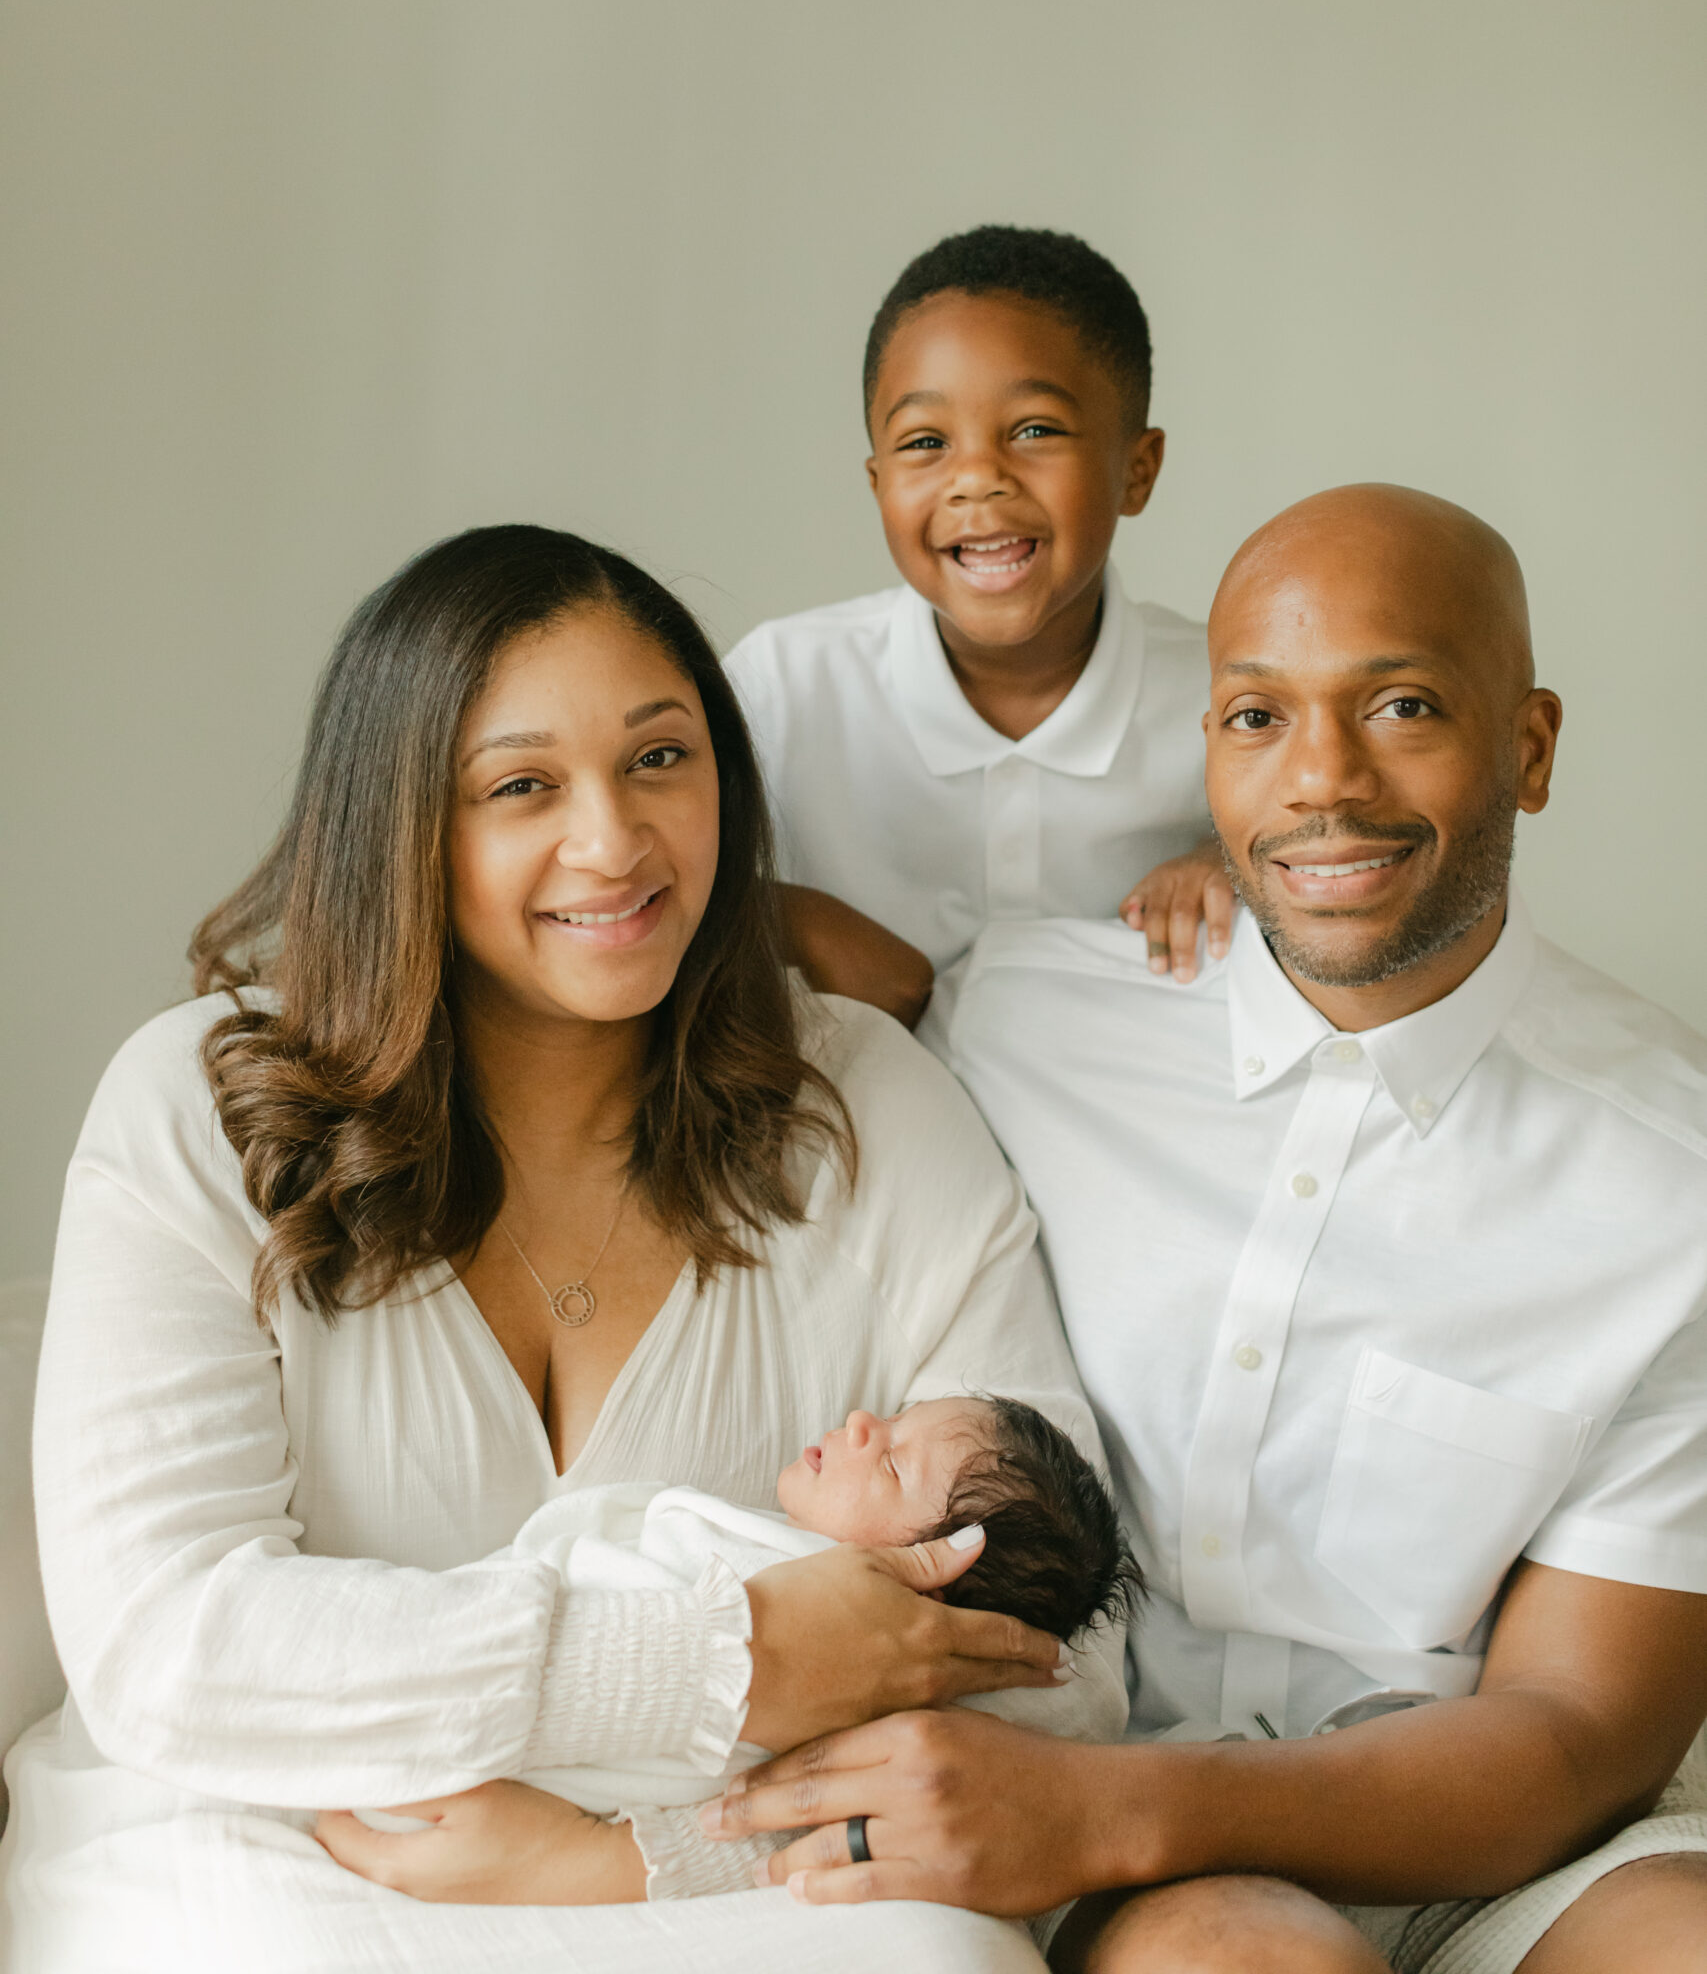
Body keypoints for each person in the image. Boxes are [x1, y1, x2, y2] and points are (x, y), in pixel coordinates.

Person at [3, 523, 1123, 1974]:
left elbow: (1052, 1674)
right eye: (520, 786)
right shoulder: (201, 1106)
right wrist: (729, 1662)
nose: (613, 841)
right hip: (270, 1841)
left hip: (732, 1860)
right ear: (398, 827)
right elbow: (174, 1652)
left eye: (660, 758)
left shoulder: (866, 1111)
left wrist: (632, 1861)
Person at [705, 485, 1707, 1972]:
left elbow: (1571, 1737)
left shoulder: (1672, 1183)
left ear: (1530, 746)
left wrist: (1113, 1806)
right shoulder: (1017, 1017)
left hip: (1485, 1834)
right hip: (1111, 1853)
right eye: (1255, 718)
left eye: (1402, 706)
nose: (1322, 782)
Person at [724, 226, 1236, 1023]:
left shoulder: (1232, 697)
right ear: (876, 482)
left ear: (1136, 470)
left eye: (1034, 430)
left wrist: (1236, 864)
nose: (975, 480)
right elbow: (656, 884)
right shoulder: (778, 689)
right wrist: (790, 916)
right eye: (924, 442)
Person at [341, 1395, 1140, 1904]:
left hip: (455, 1752)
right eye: (893, 1416)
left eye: (893, 1462)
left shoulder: (890, 1677)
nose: (863, 1422)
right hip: (432, 1721)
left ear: (934, 1589)